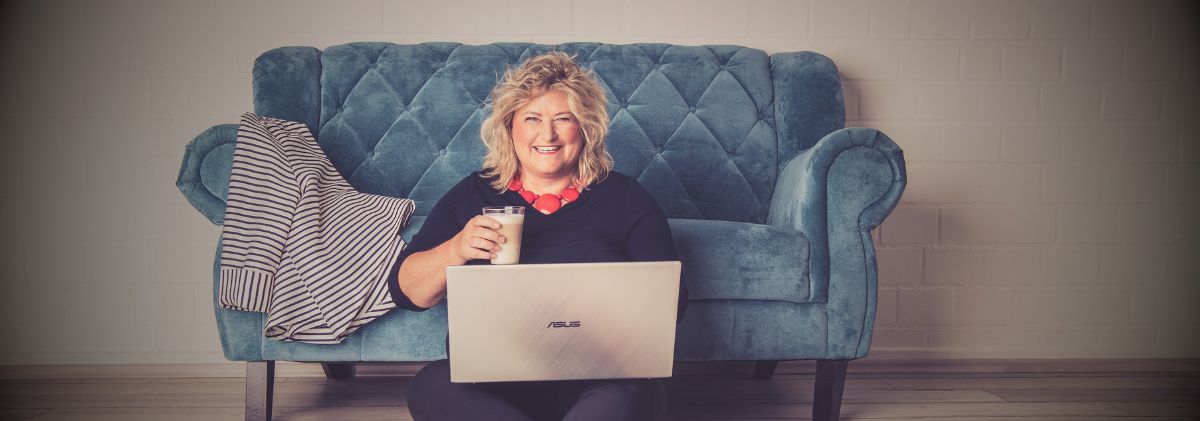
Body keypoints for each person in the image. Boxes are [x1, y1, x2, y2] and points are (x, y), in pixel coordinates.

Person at [386, 51, 688, 421]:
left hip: (601, 378)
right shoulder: (473, 195)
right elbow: (405, 293)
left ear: (586, 128)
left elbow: (674, 303)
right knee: (431, 386)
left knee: (634, 393)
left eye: (563, 119)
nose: (548, 134)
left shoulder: (627, 198)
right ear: (510, 127)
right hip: (494, 383)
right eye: (532, 118)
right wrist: (455, 249)